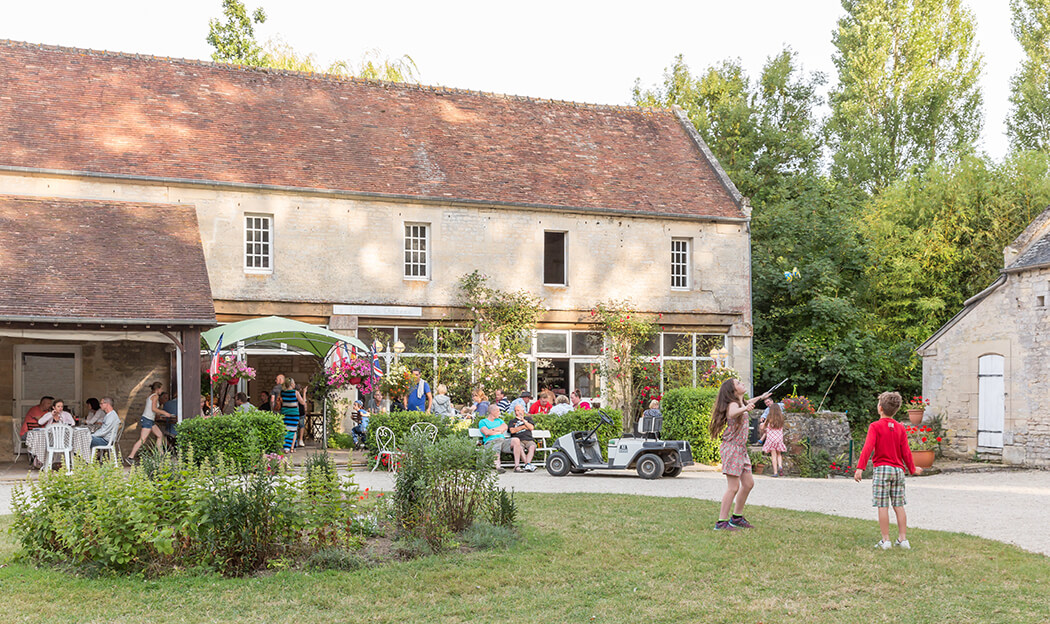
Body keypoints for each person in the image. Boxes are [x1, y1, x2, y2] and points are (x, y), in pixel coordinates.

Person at [854, 391, 922, 550]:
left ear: (880, 408)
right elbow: (906, 452)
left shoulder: (875, 426)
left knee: (882, 505)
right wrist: (912, 469)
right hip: (898, 471)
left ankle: (886, 541)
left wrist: (860, 468)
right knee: (899, 505)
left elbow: (868, 447)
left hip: (882, 469)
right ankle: (903, 539)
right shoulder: (900, 428)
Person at [709, 378, 770, 530]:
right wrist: (745, 408)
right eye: (738, 383)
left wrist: (761, 397)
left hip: (741, 450)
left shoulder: (741, 402)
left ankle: (736, 518)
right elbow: (731, 413)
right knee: (733, 487)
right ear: (733, 391)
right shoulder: (734, 404)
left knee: (748, 484)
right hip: (732, 449)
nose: (741, 383)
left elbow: (749, 402)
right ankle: (721, 522)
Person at [126, 382, 172, 464]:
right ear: (157, 389)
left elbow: (152, 410)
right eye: (161, 388)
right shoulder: (155, 396)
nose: (162, 390)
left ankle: (160, 455)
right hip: (147, 420)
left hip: (149, 420)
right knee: (142, 439)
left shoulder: (151, 396)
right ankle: (130, 457)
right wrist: (164, 412)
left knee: (160, 435)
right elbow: (153, 409)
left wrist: (160, 414)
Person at [478, 404, 512, 473]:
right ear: (492, 412)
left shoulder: (499, 420)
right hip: (491, 442)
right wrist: (499, 432)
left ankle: (519, 466)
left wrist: (493, 430)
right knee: (496, 444)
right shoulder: (483, 421)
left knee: (516, 440)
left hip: (503, 442)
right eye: (498, 411)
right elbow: (486, 432)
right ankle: (498, 467)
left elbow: (505, 427)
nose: (499, 413)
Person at [760, 399, 787, 477]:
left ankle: (775, 472)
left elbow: (762, 427)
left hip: (771, 439)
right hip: (779, 438)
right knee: (779, 454)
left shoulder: (769, 418)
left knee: (773, 455)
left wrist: (762, 423)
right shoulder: (781, 418)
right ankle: (780, 466)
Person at [506, 403, 537, 472]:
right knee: (519, 448)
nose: (517, 412)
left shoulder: (528, 419)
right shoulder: (512, 421)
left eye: (518, 410)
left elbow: (531, 427)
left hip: (529, 439)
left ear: (523, 411)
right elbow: (512, 431)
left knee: (532, 447)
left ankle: (527, 464)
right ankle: (528, 464)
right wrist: (523, 427)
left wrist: (523, 421)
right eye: (515, 411)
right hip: (518, 440)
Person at [280, 377, 306, 452]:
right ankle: (287, 447)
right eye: (294, 383)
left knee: (288, 430)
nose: (294, 384)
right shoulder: (295, 392)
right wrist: (304, 393)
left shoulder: (282, 392)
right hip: (294, 414)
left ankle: (292, 447)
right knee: (292, 430)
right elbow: (303, 402)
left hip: (285, 413)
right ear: (291, 384)